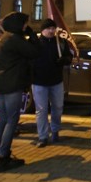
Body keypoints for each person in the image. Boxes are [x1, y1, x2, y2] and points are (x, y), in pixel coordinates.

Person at [0, 12, 40, 173]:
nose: (26, 26)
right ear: (18, 24)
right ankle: (3, 158)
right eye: (24, 23)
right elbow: (35, 51)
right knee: (11, 120)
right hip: (11, 85)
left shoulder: (4, 38)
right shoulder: (14, 39)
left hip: (1, 84)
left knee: (3, 120)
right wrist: (31, 34)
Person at [32, 19, 73, 148]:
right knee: (41, 110)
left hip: (56, 81)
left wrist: (65, 60)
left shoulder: (60, 42)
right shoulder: (36, 43)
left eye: (52, 28)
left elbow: (69, 58)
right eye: (48, 28)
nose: (51, 31)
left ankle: (55, 131)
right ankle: (43, 136)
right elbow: (28, 60)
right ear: (42, 30)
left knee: (58, 108)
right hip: (39, 82)